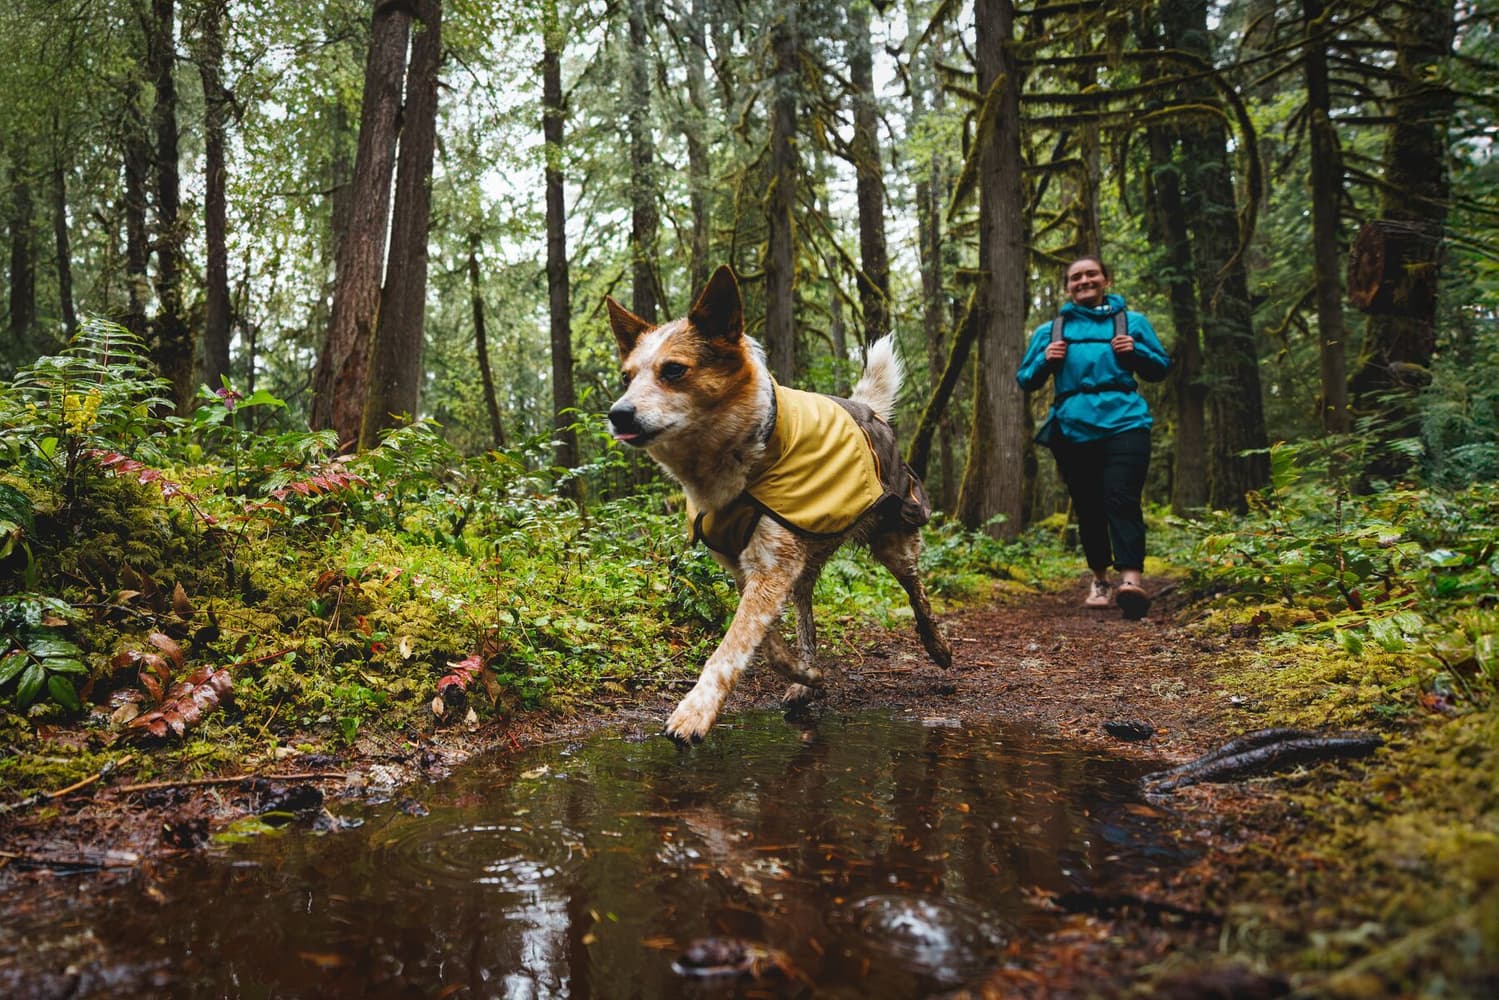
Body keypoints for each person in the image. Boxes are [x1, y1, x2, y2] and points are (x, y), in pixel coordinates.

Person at [1016, 255, 1172, 620]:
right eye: (1076, 277)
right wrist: (1045, 360)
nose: (1084, 280)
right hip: (1073, 428)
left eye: (1091, 274)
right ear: (1067, 287)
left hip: (1126, 421)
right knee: (1088, 506)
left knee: (1122, 497)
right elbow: (1026, 379)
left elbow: (1161, 367)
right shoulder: (1050, 330)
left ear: (1105, 279)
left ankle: (1131, 581)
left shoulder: (1132, 323)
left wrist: (1137, 351)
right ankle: (1100, 580)